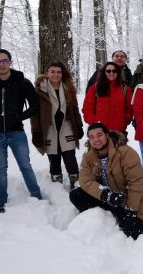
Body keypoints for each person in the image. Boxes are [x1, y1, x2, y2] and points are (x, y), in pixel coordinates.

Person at [0, 49, 42, 213]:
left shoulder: (22, 82)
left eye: (4, 61)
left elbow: (35, 105)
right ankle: (1, 200)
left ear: (10, 62)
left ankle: (37, 196)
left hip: (17, 133)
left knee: (25, 165)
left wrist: (19, 117)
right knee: (1, 168)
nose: (1, 64)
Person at [69, 122, 143, 240]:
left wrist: (131, 211)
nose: (96, 140)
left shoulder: (126, 153)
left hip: (126, 201)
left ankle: (121, 217)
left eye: (99, 135)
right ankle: (102, 218)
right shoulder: (88, 156)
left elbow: (136, 183)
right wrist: (105, 194)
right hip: (107, 198)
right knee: (76, 195)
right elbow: (85, 180)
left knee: (134, 232)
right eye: (91, 137)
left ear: (107, 135)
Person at [31, 61, 84, 190]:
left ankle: (76, 183)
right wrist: (36, 132)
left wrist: (78, 125)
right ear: (47, 74)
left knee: (69, 156)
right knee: (53, 157)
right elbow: (35, 114)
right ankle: (56, 184)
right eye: (53, 72)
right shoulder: (39, 90)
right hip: (48, 128)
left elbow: (74, 108)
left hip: (66, 126)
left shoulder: (68, 88)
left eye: (59, 72)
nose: (56, 74)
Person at [82, 61, 133, 134]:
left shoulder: (125, 89)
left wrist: (124, 121)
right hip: (99, 132)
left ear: (118, 72)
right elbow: (87, 108)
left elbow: (129, 108)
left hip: (119, 132)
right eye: (108, 71)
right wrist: (94, 122)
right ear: (104, 72)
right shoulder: (95, 88)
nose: (111, 73)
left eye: (114, 71)